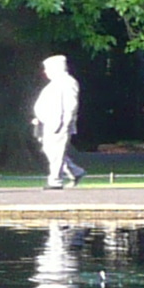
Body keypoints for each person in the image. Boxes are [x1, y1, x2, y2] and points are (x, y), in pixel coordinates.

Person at [32, 55, 84, 190]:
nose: (45, 72)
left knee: (57, 152)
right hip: (49, 123)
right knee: (50, 150)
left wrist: (66, 122)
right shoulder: (56, 83)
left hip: (59, 123)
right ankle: (75, 171)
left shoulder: (68, 82)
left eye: (48, 69)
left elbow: (71, 104)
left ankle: (55, 180)